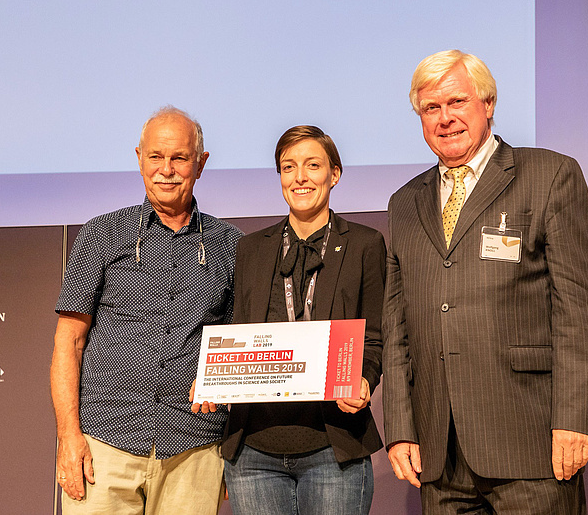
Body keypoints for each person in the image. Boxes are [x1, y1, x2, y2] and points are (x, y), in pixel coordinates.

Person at [382, 49, 588, 513]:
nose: (445, 119)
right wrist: (402, 426)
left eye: (457, 102)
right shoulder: (404, 202)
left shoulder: (549, 175)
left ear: (488, 104)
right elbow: (397, 327)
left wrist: (574, 419)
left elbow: (581, 311)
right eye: (431, 108)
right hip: (441, 454)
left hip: (533, 443)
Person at [50, 106, 242, 514]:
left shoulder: (232, 246)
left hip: (194, 447)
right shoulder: (102, 234)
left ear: (201, 163)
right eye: (156, 157)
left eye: (180, 158)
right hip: (105, 444)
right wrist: (69, 436)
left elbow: (240, 348)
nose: (167, 169)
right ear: (139, 158)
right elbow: (69, 341)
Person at [195, 125, 386, 514]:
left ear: (334, 173)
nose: (300, 177)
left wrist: (364, 378)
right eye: (288, 167)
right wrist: (215, 374)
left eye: (312, 165)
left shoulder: (365, 244)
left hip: (333, 448)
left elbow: (376, 335)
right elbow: (239, 331)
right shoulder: (251, 248)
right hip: (254, 452)